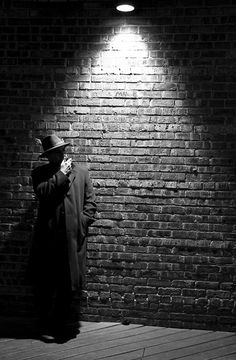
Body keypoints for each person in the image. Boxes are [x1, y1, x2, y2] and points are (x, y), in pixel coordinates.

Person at [29, 134, 96, 343]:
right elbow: (44, 193)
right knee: (47, 285)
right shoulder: (40, 174)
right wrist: (60, 174)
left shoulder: (82, 172)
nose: (53, 156)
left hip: (72, 240)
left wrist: (81, 224)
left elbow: (91, 204)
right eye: (49, 154)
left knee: (69, 286)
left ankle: (62, 327)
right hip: (48, 240)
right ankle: (45, 325)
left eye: (56, 152)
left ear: (62, 151)